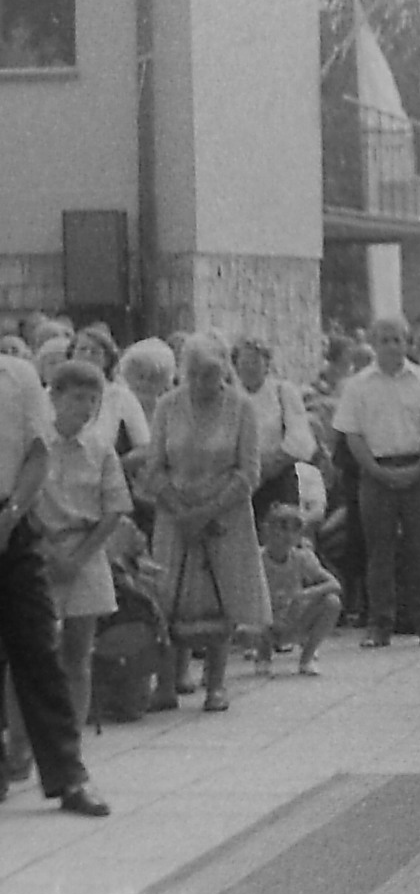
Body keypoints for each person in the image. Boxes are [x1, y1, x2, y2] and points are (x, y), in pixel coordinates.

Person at [0, 349, 110, 815]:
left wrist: (10, 515)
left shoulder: (18, 376)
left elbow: (38, 454)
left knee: (39, 650)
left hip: (11, 522)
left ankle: (68, 776)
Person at [147, 333, 271, 711]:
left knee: (221, 596)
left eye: (211, 374)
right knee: (169, 596)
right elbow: (155, 468)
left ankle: (216, 684)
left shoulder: (241, 407)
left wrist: (207, 512)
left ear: (225, 371)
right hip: (175, 515)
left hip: (225, 515)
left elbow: (249, 472)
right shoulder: (167, 406)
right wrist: (180, 510)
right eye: (195, 374)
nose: (203, 383)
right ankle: (167, 683)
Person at [331, 318, 420, 651]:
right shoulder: (358, 385)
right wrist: (374, 470)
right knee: (378, 552)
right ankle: (379, 624)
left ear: (407, 342)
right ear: (374, 343)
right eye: (384, 340)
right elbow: (352, 434)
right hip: (375, 472)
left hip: (416, 469)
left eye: (397, 339)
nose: (392, 346)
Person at [34, 360, 133, 726]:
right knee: (34, 650)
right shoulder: (36, 444)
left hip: (86, 551)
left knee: (78, 652)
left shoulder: (101, 449)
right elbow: (24, 503)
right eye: (78, 398)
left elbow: (115, 508)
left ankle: (72, 733)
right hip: (40, 549)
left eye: (94, 400)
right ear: (55, 397)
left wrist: (78, 559)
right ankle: (29, 736)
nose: (86, 407)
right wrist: (49, 552)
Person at [232, 338, 317, 526]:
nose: (250, 368)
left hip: (278, 479)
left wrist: (270, 464)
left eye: (255, 362)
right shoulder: (230, 396)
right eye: (244, 362)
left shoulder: (283, 392)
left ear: (267, 365)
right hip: (240, 481)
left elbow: (301, 440)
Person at [253, 504, 342, 676]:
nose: (288, 535)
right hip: (265, 620)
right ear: (267, 530)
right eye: (282, 528)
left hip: (293, 618)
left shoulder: (302, 558)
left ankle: (307, 658)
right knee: (248, 622)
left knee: (332, 602)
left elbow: (334, 584)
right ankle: (262, 656)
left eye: (295, 530)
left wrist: (304, 594)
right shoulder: (256, 559)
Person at [70, 326, 150, 478]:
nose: (87, 355)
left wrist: (114, 468)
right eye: (82, 349)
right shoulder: (53, 393)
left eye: (95, 352)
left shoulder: (122, 397)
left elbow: (144, 447)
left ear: (107, 360)